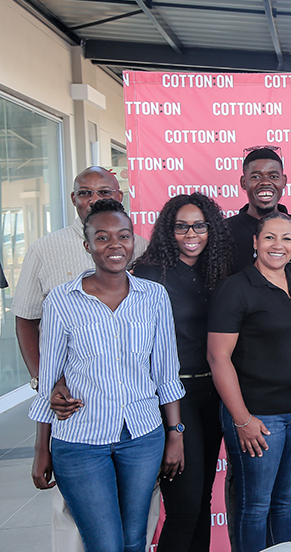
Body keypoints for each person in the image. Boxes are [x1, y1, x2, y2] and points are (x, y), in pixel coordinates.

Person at [28, 199, 184, 552]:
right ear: (87, 246)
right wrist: (41, 448)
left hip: (142, 437)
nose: (115, 245)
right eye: (102, 237)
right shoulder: (62, 301)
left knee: (134, 539)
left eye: (123, 235)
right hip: (80, 442)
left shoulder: (154, 297)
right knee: (104, 544)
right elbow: (49, 378)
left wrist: (175, 434)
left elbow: (165, 373)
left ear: (133, 241)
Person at [15, 167, 150, 551]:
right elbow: (26, 319)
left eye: (103, 192)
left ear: (119, 196)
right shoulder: (46, 248)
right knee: (76, 522)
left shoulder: (139, 246)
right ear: (74, 199)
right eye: (85, 193)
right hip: (74, 414)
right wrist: (46, 380)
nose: (94, 199)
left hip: (132, 417)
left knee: (132, 529)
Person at [207, 212, 291, 552]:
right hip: (258, 417)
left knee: (286, 502)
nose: (278, 245)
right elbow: (218, 358)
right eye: (270, 237)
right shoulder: (235, 289)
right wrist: (242, 419)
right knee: (255, 507)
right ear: (256, 242)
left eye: (286, 238)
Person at [132, 193, 234, 552]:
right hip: (173, 397)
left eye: (199, 226)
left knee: (202, 501)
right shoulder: (149, 273)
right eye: (181, 227)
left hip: (214, 394)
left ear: (211, 229)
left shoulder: (218, 270)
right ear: (168, 231)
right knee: (183, 507)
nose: (191, 234)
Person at [225, 146, 291, 275]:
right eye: (256, 177)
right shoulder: (224, 231)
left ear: (284, 181)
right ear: (244, 182)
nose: (265, 182)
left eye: (273, 176)